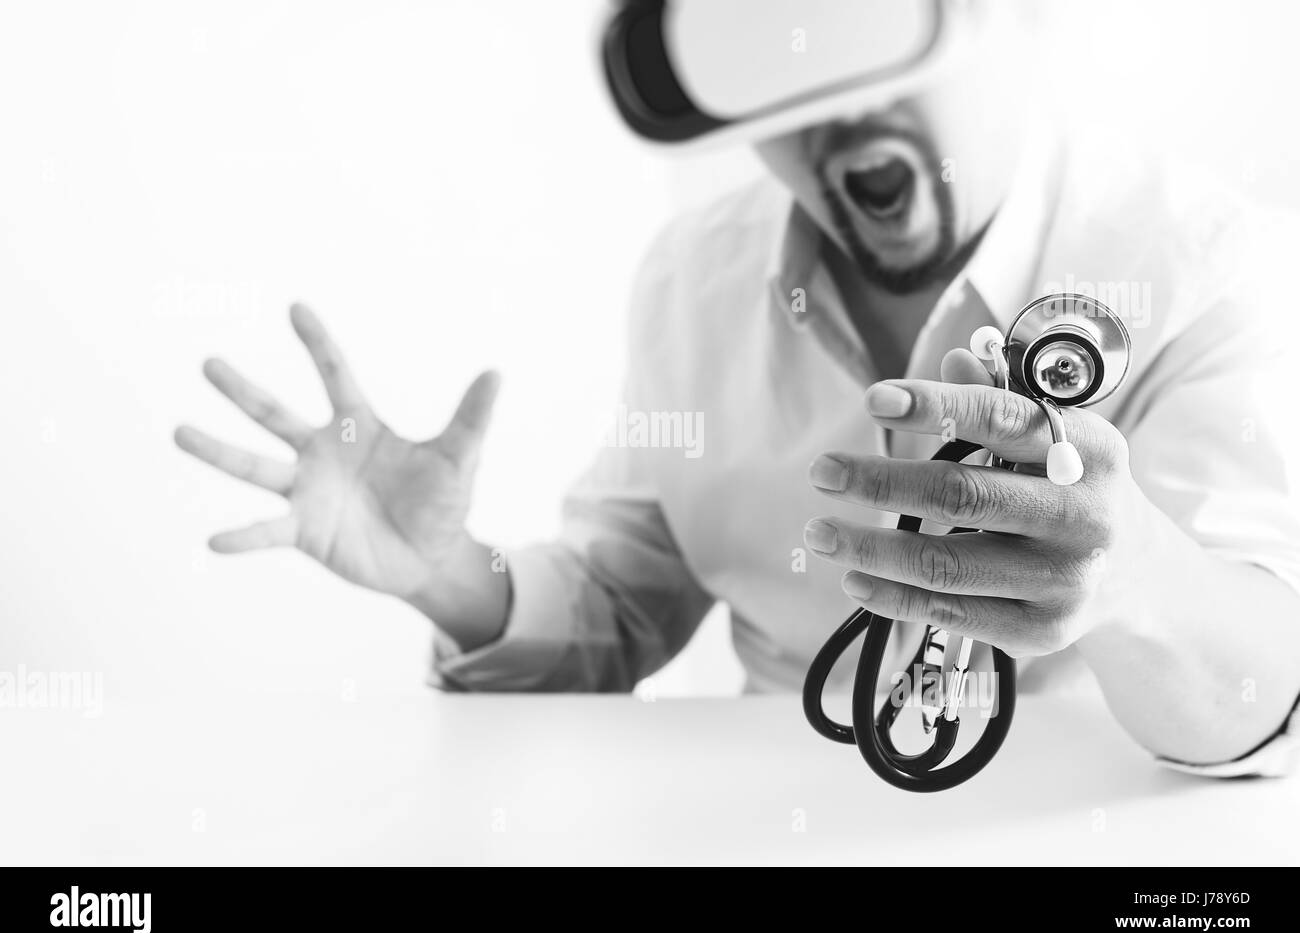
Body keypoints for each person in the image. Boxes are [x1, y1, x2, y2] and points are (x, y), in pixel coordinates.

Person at [176, 0, 1300, 776]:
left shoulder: (1199, 264)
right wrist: (452, 574)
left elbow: (1266, 693)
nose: (824, 111)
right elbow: (621, 604)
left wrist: (1132, 578)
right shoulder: (693, 283)